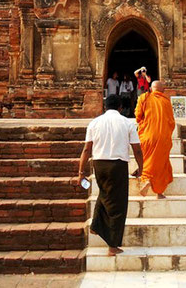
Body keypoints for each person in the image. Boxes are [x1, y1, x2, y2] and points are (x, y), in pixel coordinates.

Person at [77, 94, 143, 256]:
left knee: (106, 193)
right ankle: (112, 245)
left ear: (104, 106)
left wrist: (81, 172)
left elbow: (86, 149)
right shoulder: (127, 123)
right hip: (117, 165)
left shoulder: (94, 123)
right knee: (118, 205)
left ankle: (96, 225)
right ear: (120, 107)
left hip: (99, 164)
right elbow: (137, 149)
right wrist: (142, 168)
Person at [134, 80, 175, 199]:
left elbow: (137, 116)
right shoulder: (166, 101)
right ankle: (159, 192)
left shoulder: (144, 98)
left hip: (147, 136)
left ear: (151, 89)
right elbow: (171, 122)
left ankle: (146, 179)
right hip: (163, 138)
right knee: (161, 163)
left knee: (147, 159)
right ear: (163, 90)